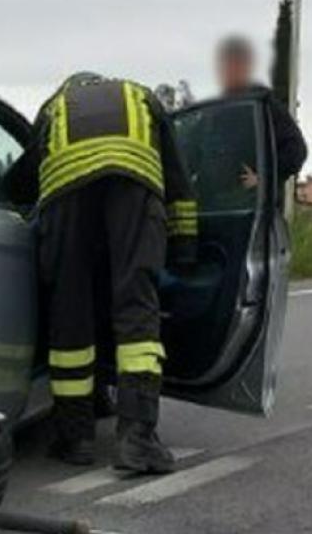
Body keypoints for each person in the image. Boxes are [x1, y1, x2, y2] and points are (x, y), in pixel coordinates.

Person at [25, 72, 197, 473]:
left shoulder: (53, 106)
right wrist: (185, 249)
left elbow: (23, 178)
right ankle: (137, 440)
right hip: (133, 187)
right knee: (136, 309)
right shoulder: (141, 95)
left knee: (69, 313)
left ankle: (75, 439)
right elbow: (177, 178)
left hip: (65, 196)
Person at [211, 35, 307, 190]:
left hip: (254, 206)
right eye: (225, 66)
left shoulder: (262, 104)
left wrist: (263, 178)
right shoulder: (217, 111)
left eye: (235, 65)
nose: (229, 71)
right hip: (218, 204)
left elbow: (296, 150)